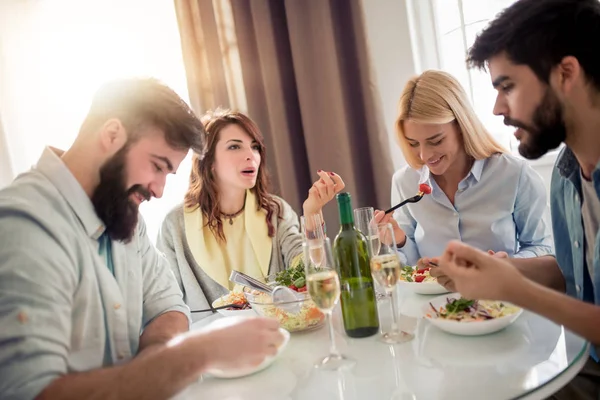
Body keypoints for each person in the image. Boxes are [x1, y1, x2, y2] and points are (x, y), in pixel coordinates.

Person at [0, 78, 284, 400]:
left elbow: (169, 308)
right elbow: (30, 393)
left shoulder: (124, 219)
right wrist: (193, 356)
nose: (159, 190)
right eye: (157, 166)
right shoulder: (24, 227)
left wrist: (149, 376)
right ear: (111, 135)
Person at [436, 0, 600, 398]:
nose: (496, 108)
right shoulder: (566, 173)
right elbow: (569, 274)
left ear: (565, 74)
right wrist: (505, 270)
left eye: (507, 86)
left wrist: (515, 290)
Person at [157, 109, 344, 318]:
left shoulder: (276, 211)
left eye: (255, 147)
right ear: (208, 161)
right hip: (216, 343)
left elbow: (311, 272)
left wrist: (312, 213)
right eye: (235, 146)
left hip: (280, 333)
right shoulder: (175, 226)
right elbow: (166, 303)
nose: (251, 155)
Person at [374, 69, 553, 271]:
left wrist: (508, 264)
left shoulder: (514, 174)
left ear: (461, 126)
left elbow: (542, 247)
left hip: (499, 299)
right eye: (414, 143)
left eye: (436, 141)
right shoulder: (404, 182)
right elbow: (413, 265)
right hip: (434, 302)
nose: (424, 155)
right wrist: (400, 241)